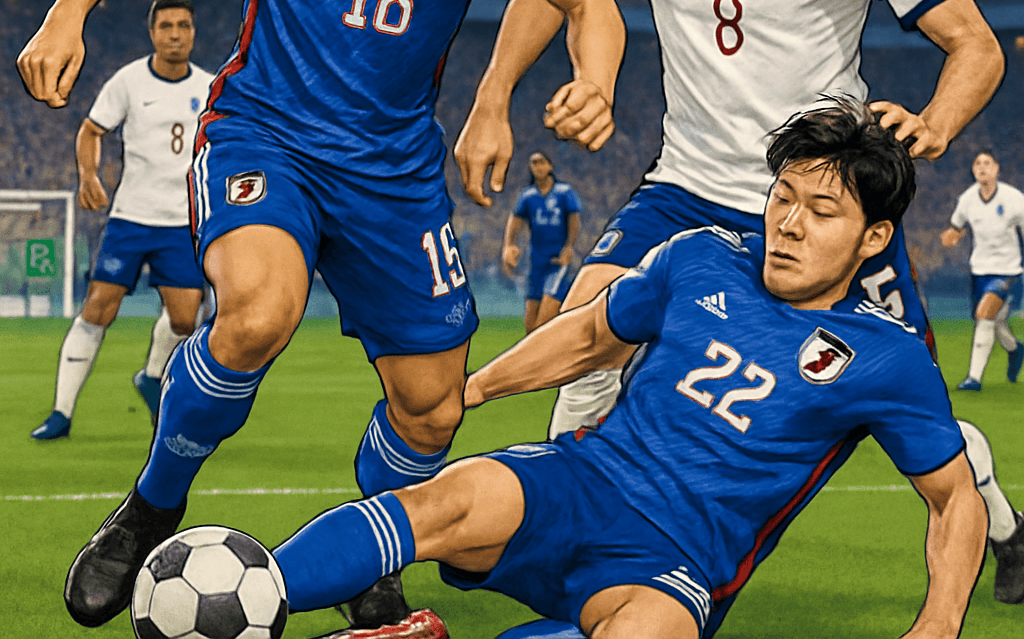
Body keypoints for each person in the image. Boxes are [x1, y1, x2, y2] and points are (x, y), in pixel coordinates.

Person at [16, 0, 624, 631]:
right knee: (257, 311)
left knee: (433, 404)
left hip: (394, 168)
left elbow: (588, 2)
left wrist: (594, 79)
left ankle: (374, 551)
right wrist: (65, 12)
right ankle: (152, 504)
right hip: (268, 133)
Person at [455, 0, 1024, 606]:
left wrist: (938, 121)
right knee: (584, 344)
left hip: (817, 207)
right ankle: (579, 542)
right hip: (686, 183)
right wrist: (494, 99)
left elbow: (973, 43)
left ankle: (1001, 525)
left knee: (917, 414)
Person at [268, 102, 986, 639]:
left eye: (822, 211)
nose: (790, 223)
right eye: (783, 197)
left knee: (650, 632)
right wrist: (476, 388)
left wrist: (938, 624)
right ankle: (256, 587)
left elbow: (955, 501)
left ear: (875, 237)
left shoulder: (887, 356)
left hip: (675, 559)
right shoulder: (702, 254)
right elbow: (588, 335)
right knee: (450, 495)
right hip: (581, 481)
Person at [30, 0, 213, 441]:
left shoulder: (210, 87)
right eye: (166, 26)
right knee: (98, 309)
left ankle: (152, 377)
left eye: (183, 26)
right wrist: (88, 174)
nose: (175, 35)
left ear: (193, 32)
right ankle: (61, 413)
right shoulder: (129, 81)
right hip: (131, 218)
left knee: (187, 320)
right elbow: (92, 129)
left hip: (183, 223)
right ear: (152, 33)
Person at [940, 150, 1024, 390]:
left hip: (1008, 271)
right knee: (993, 323)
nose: (982, 167)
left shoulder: (1014, 198)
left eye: (987, 163)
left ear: (996, 169)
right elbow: (955, 228)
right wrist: (950, 237)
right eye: (977, 163)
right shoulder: (967, 199)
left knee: (985, 316)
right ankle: (1016, 350)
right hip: (979, 270)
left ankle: (973, 379)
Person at [502, 151, 581, 332]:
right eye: (534, 163)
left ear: (550, 166)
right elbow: (515, 220)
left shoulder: (564, 192)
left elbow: (574, 218)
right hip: (536, 263)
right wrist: (509, 245)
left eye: (541, 162)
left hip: (556, 262)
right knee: (530, 326)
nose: (538, 166)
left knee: (544, 322)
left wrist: (568, 247)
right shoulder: (528, 196)